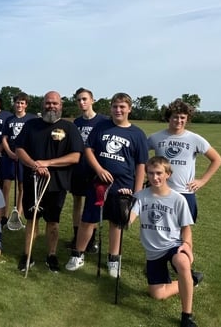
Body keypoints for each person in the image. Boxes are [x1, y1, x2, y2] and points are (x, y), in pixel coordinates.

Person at [66, 92, 148, 277]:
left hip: (123, 184)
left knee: (116, 222)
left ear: (129, 109)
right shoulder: (102, 126)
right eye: (115, 106)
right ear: (110, 108)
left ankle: (113, 259)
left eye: (122, 107)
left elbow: (141, 164)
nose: (118, 110)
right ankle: (77, 254)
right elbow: (88, 149)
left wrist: (138, 193)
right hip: (98, 182)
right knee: (88, 219)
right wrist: (99, 170)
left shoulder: (137, 134)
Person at [15, 91, 84, 272]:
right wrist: (34, 165)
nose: (51, 106)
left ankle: (51, 255)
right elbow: (19, 149)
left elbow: (76, 156)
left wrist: (48, 163)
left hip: (57, 184)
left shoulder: (69, 128)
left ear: (61, 105)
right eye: (48, 103)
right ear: (42, 105)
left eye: (55, 103)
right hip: (33, 181)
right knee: (32, 219)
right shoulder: (31, 125)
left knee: (53, 221)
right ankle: (27, 255)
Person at [128, 156, 200, 327]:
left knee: (182, 262)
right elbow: (128, 221)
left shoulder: (178, 199)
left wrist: (187, 246)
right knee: (157, 295)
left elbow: (186, 228)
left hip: (173, 245)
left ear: (168, 174)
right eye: (151, 173)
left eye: (159, 173)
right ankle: (191, 280)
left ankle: (186, 316)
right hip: (153, 252)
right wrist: (123, 202)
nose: (155, 177)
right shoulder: (140, 196)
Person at [147, 98, 221, 223]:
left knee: (184, 232)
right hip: (162, 190)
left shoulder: (194, 139)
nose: (179, 120)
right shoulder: (155, 137)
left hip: (185, 192)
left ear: (187, 118)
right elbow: (139, 154)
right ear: (168, 118)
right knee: (162, 229)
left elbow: (217, 159)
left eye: (183, 117)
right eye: (175, 117)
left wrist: (202, 181)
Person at [68, 88, 109, 252]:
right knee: (77, 201)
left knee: (94, 203)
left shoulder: (103, 121)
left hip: (95, 169)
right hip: (79, 168)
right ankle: (77, 235)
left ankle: (92, 239)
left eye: (84, 99)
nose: (81, 102)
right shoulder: (76, 123)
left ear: (93, 100)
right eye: (78, 100)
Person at [0, 92, 36, 222]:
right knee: (6, 185)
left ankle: (18, 214)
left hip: (24, 157)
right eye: (17, 103)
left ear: (26, 105)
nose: (19, 105)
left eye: (22, 103)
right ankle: (4, 214)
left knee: (22, 186)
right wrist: (9, 152)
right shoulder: (9, 119)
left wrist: (24, 155)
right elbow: (4, 138)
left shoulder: (31, 119)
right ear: (14, 104)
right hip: (9, 156)